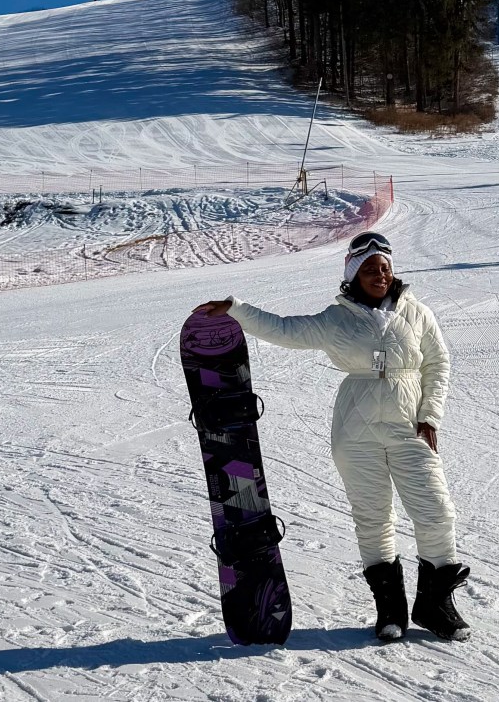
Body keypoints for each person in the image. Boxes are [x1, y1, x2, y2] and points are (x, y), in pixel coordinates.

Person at [196, 232, 470, 643]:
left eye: (384, 268)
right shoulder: (336, 319)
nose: (379, 274)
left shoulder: (417, 313)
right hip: (355, 428)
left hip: (409, 422)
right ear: (353, 274)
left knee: (436, 512)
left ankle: (434, 605)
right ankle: (390, 612)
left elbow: (438, 363)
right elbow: (286, 330)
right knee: (373, 519)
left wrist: (430, 414)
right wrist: (238, 311)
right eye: (369, 269)